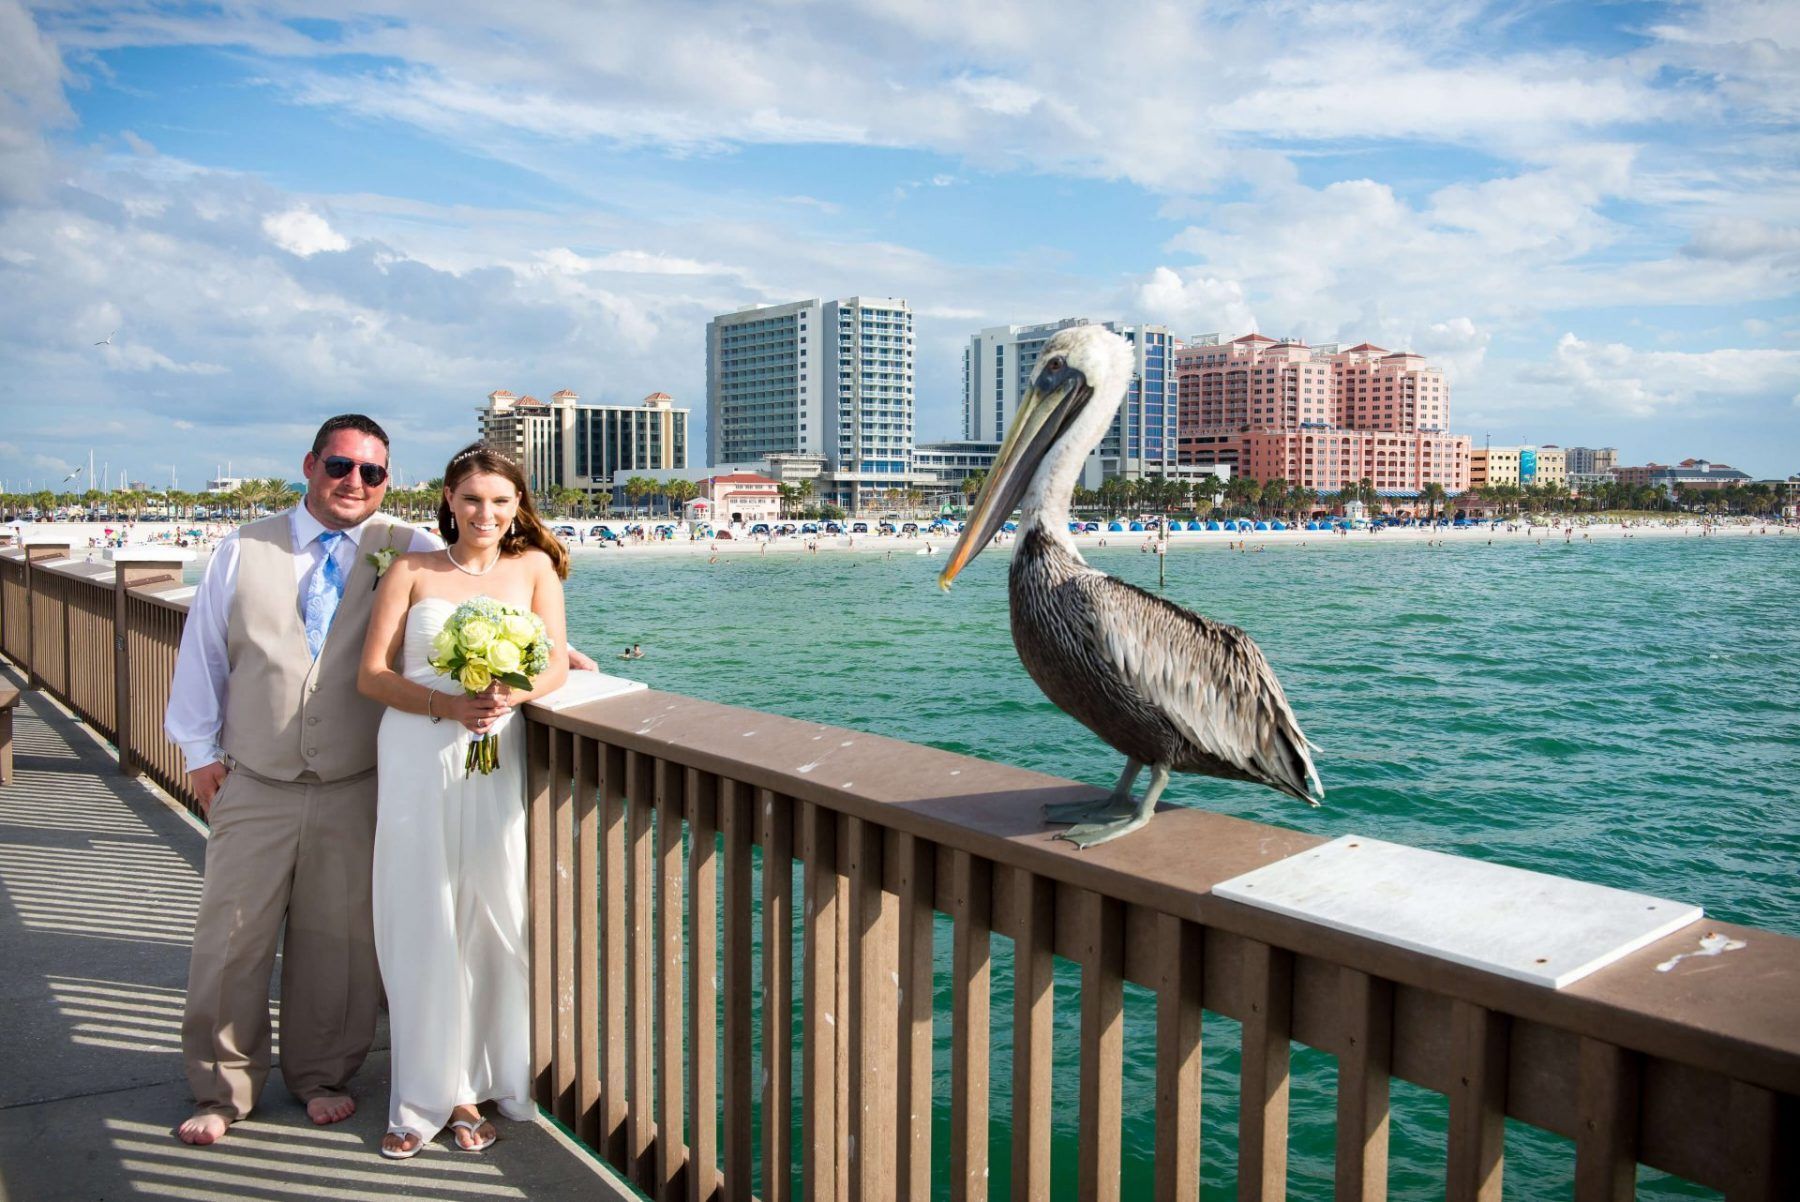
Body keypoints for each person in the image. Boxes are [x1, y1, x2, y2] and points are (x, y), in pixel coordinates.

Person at [165, 415, 437, 1146]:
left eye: (372, 473)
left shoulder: (409, 547)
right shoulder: (242, 547)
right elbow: (204, 657)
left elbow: (480, 590)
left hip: (355, 783)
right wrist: (198, 751)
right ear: (310, 465)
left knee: (339, 945)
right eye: (341, 466)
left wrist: (552, 646)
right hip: (254, 778)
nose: (355, 483)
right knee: (231, 941)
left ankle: (322, 1075)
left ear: (387, 481)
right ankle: (223, 1088)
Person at [357, 443, 570, 1159]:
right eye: (473, 499)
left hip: (493, 760)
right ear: (449, 498)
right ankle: (431, 1093)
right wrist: (445, 707)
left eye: (501, 502)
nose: (486, 514)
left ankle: (483, 1079)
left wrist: (511, 692)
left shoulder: (535, 568)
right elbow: (372, 675)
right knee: (423, 914)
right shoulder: (412, 571)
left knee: (491, 912)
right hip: (418, 752)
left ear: (518, 509)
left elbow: (557, 667)